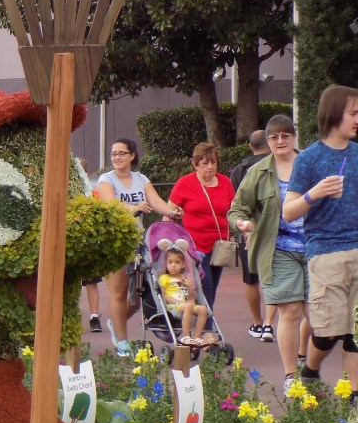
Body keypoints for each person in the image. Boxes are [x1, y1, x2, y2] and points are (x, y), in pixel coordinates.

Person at [229, 115, 312, 394]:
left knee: (317, 316)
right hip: (278, 250)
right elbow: (237, 208)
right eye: (274, 137)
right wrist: (242, 223)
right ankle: (290, 376)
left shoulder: (310, 164)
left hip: (315, 249)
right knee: (290, 311)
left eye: (285, 135)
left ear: (294, 137)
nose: (280, 141)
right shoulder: (258, 172)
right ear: (267, 141)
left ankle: (306, 361)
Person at [283, 84, 358, 391]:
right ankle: (310, 368)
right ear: (334, 113)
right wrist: (314, 194)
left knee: (354, 333)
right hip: (326, 252)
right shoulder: (309, 158)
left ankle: (354, 395)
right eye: (353, 113)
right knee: (329, 333)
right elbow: (289, 212)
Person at [97, 137, 181, 357]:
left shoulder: (140, 178)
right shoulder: (106, 179)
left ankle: (116, 322)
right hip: (114, 242)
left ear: (132, 155)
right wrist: (133, 208)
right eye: (113, 154)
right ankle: (123, 341)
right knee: (119, 292)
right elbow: (110, 203)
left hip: (137, 241)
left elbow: (156, 201)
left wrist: (170, 212)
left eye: (121, 153)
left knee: (138, 295)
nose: (117, 157)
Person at [167, 142, 235, 310]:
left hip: (219, 247)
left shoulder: (225, 183)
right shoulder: (185, 183)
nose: (210, 167)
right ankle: (206, 325)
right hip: (195, 247)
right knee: (205, 290)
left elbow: (234, 210)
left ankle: (198, 322)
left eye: (213, 162)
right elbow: (168, 214)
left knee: (212, 291)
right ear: (195, 164)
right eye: (205, 163)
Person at [230, 129, 275, 340]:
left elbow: (237, 202)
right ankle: (269, 323)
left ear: (250, 146)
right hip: (273, 230)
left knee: (250, 279)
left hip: (246, 230)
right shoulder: (278, 164)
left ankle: (257, 323)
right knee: (275, 277)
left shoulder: (240, 170)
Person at [158, 247, 210, 345]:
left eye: (177, 262)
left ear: (183, 265)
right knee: (188, 306)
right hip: (172, 306)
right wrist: (178, 302)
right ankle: (185, 336)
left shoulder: (184, 279)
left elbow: (189, 295)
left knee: (203, 309)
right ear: (166, 264)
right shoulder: (164, 278)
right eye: (170, 262)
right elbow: (164, 296)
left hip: (186, 305)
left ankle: (197, 337)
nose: (173, 265)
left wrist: (192, 301)